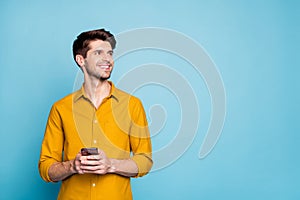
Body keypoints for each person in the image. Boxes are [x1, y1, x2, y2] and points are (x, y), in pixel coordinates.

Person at [38, 28, 153, 200]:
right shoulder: (60, 108)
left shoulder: (132, 105)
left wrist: (111, 165)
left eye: (110, 53)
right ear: (81, 60)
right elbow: (46, 167)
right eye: (98, 52)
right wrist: (72, 166)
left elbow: (145, 161)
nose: (108, 59)